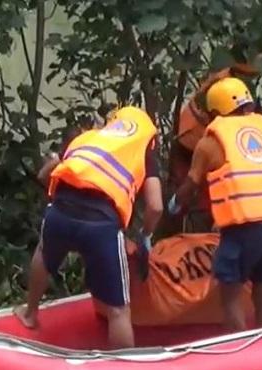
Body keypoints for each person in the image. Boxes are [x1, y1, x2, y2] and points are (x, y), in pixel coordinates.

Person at [14, 106, 164, 349]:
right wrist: (145, 235)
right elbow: (155, 206)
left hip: (61, 211)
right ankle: (125, 367)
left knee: (43, 251)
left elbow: (44, 174)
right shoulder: (143, 153)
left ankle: (30, 314)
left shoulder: (87, 138)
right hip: (101, 225)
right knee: (118, 310)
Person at [167, 77, 262, 332]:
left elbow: (192, 184)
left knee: (230, 292)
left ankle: (239, 345)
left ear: (215, 110)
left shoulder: (211, 142)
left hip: (244, 226)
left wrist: (174, 204)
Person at [166, 45, 262, 233]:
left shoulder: (240, 84)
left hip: (205, 140)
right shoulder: (222, 86)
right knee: (196, 198)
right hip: (192, 141)